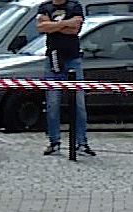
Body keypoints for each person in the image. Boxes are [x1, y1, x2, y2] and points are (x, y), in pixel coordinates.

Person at [38, 0, 92, 156]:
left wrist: (53, 26)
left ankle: (81, 143)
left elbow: (75, 29)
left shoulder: (74, 6)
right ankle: (54, 142)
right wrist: (65, 24)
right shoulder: (45, 7)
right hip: (53, 59)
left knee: (79, 104)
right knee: (52, 103)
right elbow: (41, 27)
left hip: (73, 59)